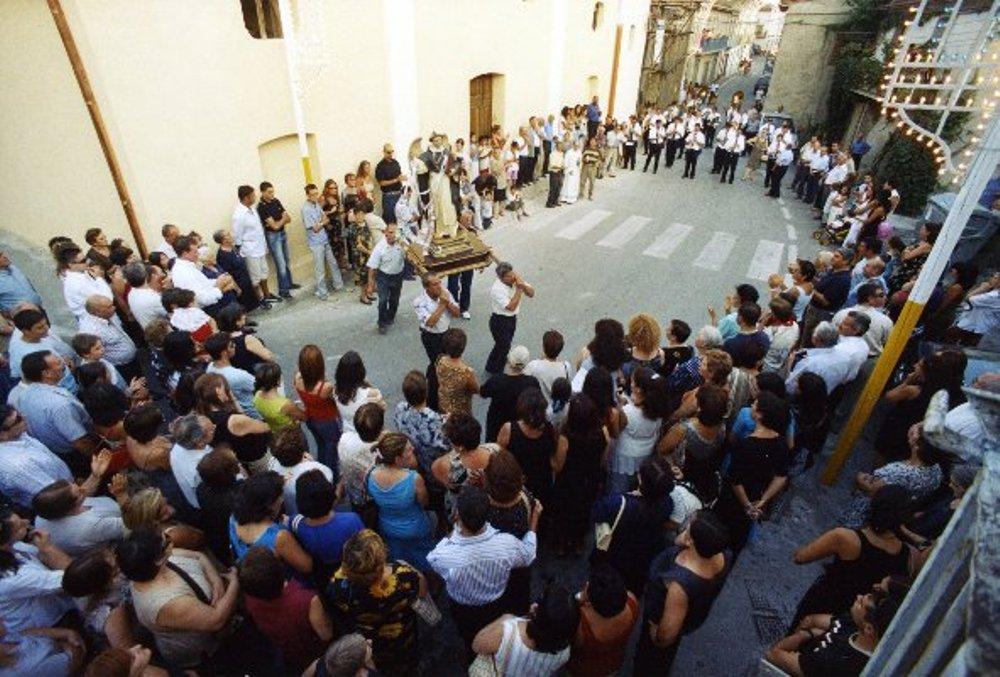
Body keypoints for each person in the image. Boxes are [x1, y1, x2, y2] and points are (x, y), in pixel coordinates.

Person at [428, 485, 540, 651]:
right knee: (497, 641)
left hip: (463, 610)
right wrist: (534, 518)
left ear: (457, 514)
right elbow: (528, 555)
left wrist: (455, 529)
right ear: (487, 515)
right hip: (497, 605)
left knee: (468, 638)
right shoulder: (507, 543)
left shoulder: (442, 554)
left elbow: (433, 561)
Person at [117, 528, 240, 671]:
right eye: (166, 540)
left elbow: (198, 556)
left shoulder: (151, 564)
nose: (171, 540)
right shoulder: (166, 602)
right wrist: (235, 583)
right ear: (158, 560)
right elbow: (216, 620)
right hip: (206, 651)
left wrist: (216, 581)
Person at [791, 485, 911, 628]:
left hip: (824, 604)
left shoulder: (845, 537)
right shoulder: (910, 555)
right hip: (857, 620)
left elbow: (801, 557)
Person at [633, 511, 732, 675]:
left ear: (692, 542)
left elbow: (667, 634)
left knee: (650, 664)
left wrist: (657, 636)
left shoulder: (680, 585)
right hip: (690, 617)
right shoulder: (724, 555)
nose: (684, 528)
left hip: (658, 624)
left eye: (688, 529)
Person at [325, 530, 425, 675]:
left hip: (369, 638)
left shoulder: (337, 586)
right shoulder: (403, 577)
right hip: (401, 634)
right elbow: (422, 591)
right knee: (406, 662)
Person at [767, 583, 905, 676]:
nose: (858, 596)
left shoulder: (833, 663)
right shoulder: (856, 624)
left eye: (861, 603)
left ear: (869, 629)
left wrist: (803, 635)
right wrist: (812, 632)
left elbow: (773, 655)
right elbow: (812, 620)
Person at [713, 391, 792, 548]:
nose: (751, 406)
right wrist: (762, 501)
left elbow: (735, 480)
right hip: (757, 495)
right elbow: (781, 476)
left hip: (733, 500)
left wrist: (747, 505)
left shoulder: (746, 445)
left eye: (754, 404)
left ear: (760, 415)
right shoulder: (781, 444)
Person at [238, 546, 331, 674]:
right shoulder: (307, 600)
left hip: (290, 655)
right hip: (317, 656)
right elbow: (326, 635)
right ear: (280, 569)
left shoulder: (250, 599)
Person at [874, 350, 966, 463]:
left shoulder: (914, 390)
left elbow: (889, 397)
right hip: (919, 441)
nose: (915, 366)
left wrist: (907, 381)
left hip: (895, 435)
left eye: (919, 365)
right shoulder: (955, 394)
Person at [846, 423, 944, 527]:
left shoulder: (894, 472)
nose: (914, 427)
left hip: (869, 515)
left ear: (917, 446)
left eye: (918, 432)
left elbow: (871, 492)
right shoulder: (937, 471)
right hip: (897, 513)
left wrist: (859, 480)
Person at [471, 583, 578, 675]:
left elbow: (476, 645)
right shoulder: (565, 654)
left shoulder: (508, 632)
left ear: (536, 610)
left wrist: (505, 618)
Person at [550, 394, 609, 555]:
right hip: (589, 481)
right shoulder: (602, 432)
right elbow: (603, 460)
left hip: (568, 483)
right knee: (583, 513)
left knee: (564, 513)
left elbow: (558, 466)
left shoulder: (566, 437)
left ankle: (562, 545)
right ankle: (578, 543)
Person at [367, 432, 435, 570]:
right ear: (398, 459)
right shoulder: (414, 478)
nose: (413, 449)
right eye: (408, 450)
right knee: (425, 560)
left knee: (399, 561)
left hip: (388, 527)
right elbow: (424, 503)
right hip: (416, 529)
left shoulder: (370, 474)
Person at [228, 470, 313, 576]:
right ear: (270, 504)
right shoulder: (280, 537)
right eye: (280, 497)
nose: (282, 500)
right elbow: (306, 566)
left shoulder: (233, 518)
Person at [289, 469, 363, 584]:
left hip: (317, 578)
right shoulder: (351, 521)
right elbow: (363, 549)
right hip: (347, 573)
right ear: (330, 495)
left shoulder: (295, 523)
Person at [566, 564, 639, 677]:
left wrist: (580, 600)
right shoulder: (632, 602)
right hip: (613, 666)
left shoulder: (580, 624)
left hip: (582, 671)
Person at [0, 402, 74, 510]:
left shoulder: (16, 435)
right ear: (2, 434)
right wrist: (92, 479)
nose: (24, 417)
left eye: (19, 413)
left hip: (68, 484)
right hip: (61, 504)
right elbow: (57, 497)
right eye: (18, 419)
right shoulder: (18, 466)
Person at [32, 478, 125, 556]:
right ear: (69, 508)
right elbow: (129, 525)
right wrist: (122, 495)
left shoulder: (43, 514)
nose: (83, 489)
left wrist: (96, 475)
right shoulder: (89, 526)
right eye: (79, 492)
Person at [496, 388, 557, 506]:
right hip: (542, 484)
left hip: (517, 484)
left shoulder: (509, 429)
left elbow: (499, 457)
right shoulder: (549, 429)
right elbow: (553, 459)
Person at [295, 344, 342, 474]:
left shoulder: (297, 379)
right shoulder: (325, 387)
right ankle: (331, 474)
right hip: (328, 421)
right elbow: (337, 400)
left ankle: (321, 468)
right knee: (331, 449)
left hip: (311, 418)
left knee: (320, 444)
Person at [393, 370, 449, 477]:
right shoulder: (433, 419)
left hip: (412, 460)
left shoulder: (400, 408)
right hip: (433, 466)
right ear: (426, 392)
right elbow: (445, 446)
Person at [481, 346, 542, 443]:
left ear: (509, 359)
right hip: (519, 427)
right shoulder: (532, 382)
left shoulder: (496, 380)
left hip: (496, 425)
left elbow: (483, 392)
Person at [268, 426, 332, 515]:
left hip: (290, 514)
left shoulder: (271, 464)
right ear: (303, 450)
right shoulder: (321, 471)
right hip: (314, 514)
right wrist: (312, 463)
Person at [486, 262, 535, 375]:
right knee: (504, 348)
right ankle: (497, 373)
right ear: (501, 278)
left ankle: (490, 366)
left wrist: (523, 285)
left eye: (512, 274)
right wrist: (519, 289)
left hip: (511, 319)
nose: (512, 277)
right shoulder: (497, 289)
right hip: (499, 321)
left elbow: (531, 293)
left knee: (501, 345)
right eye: (508, 276)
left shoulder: (515, 279)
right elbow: (511, 307)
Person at [195, 448, 242, 567]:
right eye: (235, 462)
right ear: (232, 471)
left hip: (216, 539)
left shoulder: (201, 489)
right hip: (232, 542)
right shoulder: (239, 496)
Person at [232, 184, 275, 305]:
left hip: (260, 246)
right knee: (255, 278)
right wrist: (241, 250)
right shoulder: (239, 215)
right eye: (253, 195)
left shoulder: (252, 209)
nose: (255, 197)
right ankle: (260, 299)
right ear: (246, 198)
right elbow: (237, 236)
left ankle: (267, 294)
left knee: (264, 272)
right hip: (250, 250)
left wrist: (264, 245)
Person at [302, 183, 345, 300]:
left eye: (316, 194)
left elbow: (326, 219)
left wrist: (321, 222)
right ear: (307, 195)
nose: (316, 196)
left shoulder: (316, 204)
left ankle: (339, 285)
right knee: (320, 269)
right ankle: (322, 293)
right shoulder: (305, 209)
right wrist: (322, 222)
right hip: (316, 243)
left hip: (324, 239)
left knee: (333, 263)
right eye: (313, 195)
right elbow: (315, 228)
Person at [256, 181, 297, 299]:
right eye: (269, 192)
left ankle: (288, 283)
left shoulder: (276, 201)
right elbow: (274, 226)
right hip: (273, 237)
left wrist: (280, 222)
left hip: (282, 233)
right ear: (263, 192)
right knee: (281, 263)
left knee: (287, 259)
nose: (272, 194)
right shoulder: (261, 207)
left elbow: (288, 218)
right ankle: (283, 291)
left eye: (273, 192)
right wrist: (282, 220)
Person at [365, 223, 406, 334]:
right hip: (384, 277)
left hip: (398, 275)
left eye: (395, 233)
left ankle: (390, 316)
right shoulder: (379, 248)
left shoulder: (401, 244)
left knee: (394, 299)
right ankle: (382, 323)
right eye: (391, 232)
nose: (393, 235)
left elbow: (411, 256)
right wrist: (370, 285)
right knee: (383, 300)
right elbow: (372, 268)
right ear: (386, 233)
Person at [168, 413, 215, 511]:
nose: (214, 427)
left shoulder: (180, 444)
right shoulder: (202, 467)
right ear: (199, 442)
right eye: (211, 430)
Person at [436, 328, 479, 417]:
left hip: (443, 404)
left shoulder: (440, 359)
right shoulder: (466, 372)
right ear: (463, 348)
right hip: (460, 413)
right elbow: (476, 390)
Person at [253, 362, 306, 433]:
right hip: (290, 432)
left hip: (275, 431)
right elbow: (303, 417)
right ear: (278, 382)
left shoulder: (257, 395)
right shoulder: (285, 404)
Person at [0, 247, 43, 314]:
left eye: (3, 253)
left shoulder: (13, 268)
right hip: (21, 316)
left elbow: (28, 284)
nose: (5, 256)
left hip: (39, 310)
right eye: (0, 256)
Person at [375, 143, 405, 222]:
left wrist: (402, 178)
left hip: (399, 194)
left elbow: (399, 175)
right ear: (384, 152)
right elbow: (381, 183)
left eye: (392, 152)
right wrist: (396, 180)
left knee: (400, 218)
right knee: (390, 219)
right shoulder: (380, 166)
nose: (391, 154)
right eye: (388, 152)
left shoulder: (395, 162)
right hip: (389, 197)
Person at [546, 141, 565, 208]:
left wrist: (563, 167)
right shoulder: (552, 154)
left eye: (561, 146)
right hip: (554, 172)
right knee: (553, 187)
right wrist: (560, 167)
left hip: (560, 172)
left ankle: (555, 201)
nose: (560, 147)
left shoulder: (562, 153)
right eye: (559, 146)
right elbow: (552, 165)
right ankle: (549, 203)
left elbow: (562, 162)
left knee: (559, 187)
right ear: (556, 146)